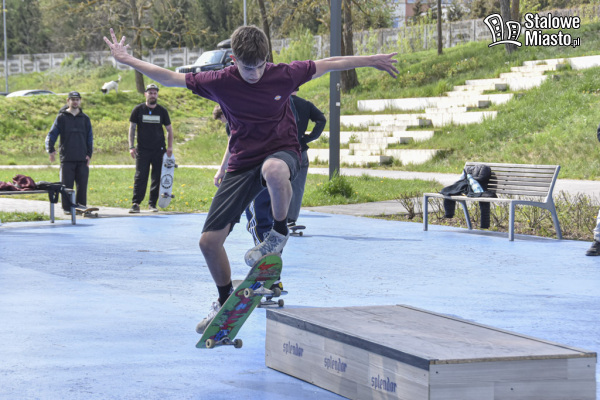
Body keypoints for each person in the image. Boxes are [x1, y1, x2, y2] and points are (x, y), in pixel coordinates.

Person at [104, 25, 398, 333]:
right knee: (208, 243)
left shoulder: (284, 74)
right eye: (247, 68)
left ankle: (279, 232)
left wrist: (371, 60)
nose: (255, 73)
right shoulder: (219, 81)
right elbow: (169, 77)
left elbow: (329, 63)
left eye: (259, 66)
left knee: (274, 171)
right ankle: (224, 301)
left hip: (282, 151)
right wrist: (127, 59)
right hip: (242, 162)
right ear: (234, 60)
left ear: (266, 58)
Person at [245, 90, 326, 244]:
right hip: (299, 150)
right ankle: (290, 219)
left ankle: (276, 219)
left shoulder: (277, 101)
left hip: (280, 151)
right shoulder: (305, 104)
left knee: (274, 185)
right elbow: (321, 119)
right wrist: (308, 138)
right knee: (296, 187)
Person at [128, 83, 174, 213]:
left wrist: (170, 147)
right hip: (142, 150)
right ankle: (136, 203)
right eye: (150, 93)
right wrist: (131, 146)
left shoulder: (162, 111)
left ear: (157, 95)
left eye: (154, 93)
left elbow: (169, 130)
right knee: (140, 176)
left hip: (159, 150)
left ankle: (152, 204)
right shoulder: (138, 110)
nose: (152, 95)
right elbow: (132, 129)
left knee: (157, 176)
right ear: (145, 94)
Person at [45, 91, 93, 214]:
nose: (75, 102)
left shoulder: (85, 118)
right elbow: (52, 134)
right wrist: (50, 150)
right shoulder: (61, 117)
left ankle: (81, 206)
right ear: (68, 101)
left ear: (80, 101)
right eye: (72, 99)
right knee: (66, 185)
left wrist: (89, 154)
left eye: (77, 99)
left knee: (82, 185)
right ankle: (67, 208)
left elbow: (89, 138)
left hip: (82, 157)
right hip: (67, 158)